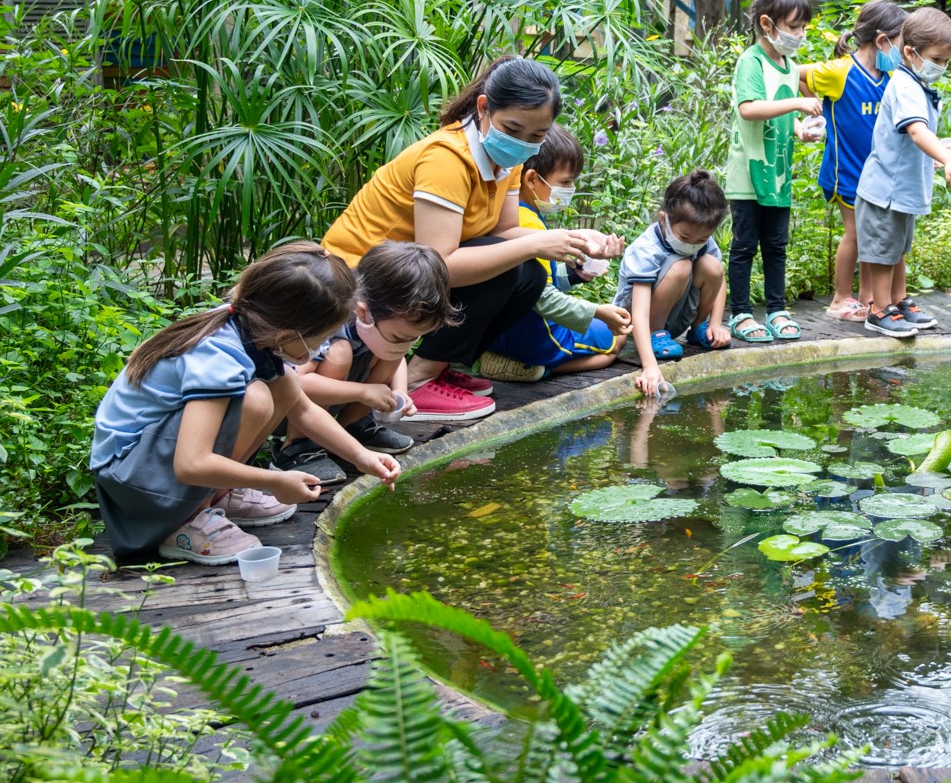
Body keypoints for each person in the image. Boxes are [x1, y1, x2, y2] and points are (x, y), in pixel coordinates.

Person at [321, 55, 621, 423]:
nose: (523, 143)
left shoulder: (504, 160)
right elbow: (438, 265)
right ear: (483, 108)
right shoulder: (446, 160)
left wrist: (573, 239)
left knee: (526, 271)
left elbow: (504, 230)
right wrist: (534, 244)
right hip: (358, 277)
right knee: (517, 261)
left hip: (408, 275)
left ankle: (439, 365)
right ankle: (419, 379)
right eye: (513, 128)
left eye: (537, 136)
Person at [89, 243, 401, 564]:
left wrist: (363, 457)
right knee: (256, 399)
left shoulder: (251, 328)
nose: (323, 347)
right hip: (133, 483)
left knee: (284, 385)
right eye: (322, 338)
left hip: (150, 464)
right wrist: (274, 480)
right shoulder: (219, 357)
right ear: (287, 333)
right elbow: (191, 464)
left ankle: (217, 495)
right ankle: (185, 523)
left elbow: (304, 410)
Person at [276, 240, 457, 482]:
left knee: (388, 350)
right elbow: (297, 382)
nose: (405, 345)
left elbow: (397, 355)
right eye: (399, 337)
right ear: (363, 312)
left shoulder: (379, 326)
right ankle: (299, 447)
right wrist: (363, 391)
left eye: (413, 339)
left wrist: (400, 393)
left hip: (336, 398)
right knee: (340, 353)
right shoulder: (331, 319)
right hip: (287, 408)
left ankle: (354, 425)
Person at [477, 125, 633, 382]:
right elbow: (544, 298)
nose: (570, 189)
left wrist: (574, 274)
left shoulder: (512, 215)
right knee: (618, 338)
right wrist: (597, 311)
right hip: (537, 337)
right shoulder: (530, 225)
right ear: (531, 179)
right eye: (565, 182)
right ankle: (539, 369)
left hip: (497, 334)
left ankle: (511, 358)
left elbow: (536, 278)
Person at [854, 6, 951, 339]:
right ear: (910, 52)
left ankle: (899, 301)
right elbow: (916, 131)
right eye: (937, 59)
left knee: (898, 249)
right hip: (885, 191)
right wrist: (949, 161)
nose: (942, 67)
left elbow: (912, 138)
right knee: (884, 252)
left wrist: (940, 151)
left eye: (947, 61)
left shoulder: (918, 84)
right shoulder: (905, 85)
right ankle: (879, 309)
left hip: (902, 190)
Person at [724, 0, 824, 345]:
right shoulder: (751, 61)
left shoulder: (789, 64)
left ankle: (777, 309)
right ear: (768, 24)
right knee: (745, 244)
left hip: (778, 173)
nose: (800, 34)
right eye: (794, 26)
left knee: (777, 245)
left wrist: (799, 130)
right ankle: (741, 313)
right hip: (749, 173)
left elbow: (778, 108)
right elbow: (750, 109)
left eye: (802, 27)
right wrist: (798, 103)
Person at [804, 0, 908, 321]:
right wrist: (812, 107)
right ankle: (840, 298)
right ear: (882, 41)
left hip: (878, 176)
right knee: (856, 233)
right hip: (846, 172)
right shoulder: (839, 71)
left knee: (872, 236)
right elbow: (796, 74)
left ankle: (866, 298)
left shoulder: (891, 78)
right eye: (901, 44)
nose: (904, 52)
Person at [616, 169, 732, 397]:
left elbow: (719, 278)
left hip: (677, 314)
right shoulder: (646, 249)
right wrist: (649, 366)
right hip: (639, 322)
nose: (693, 244)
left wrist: (715, 324)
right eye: (685, 237)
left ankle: (699, 329)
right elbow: (638, 312)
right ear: (664, 219)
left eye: (702, 239)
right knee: (681, 266)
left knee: (712, 265)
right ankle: (655, 335)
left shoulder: (703, 242)